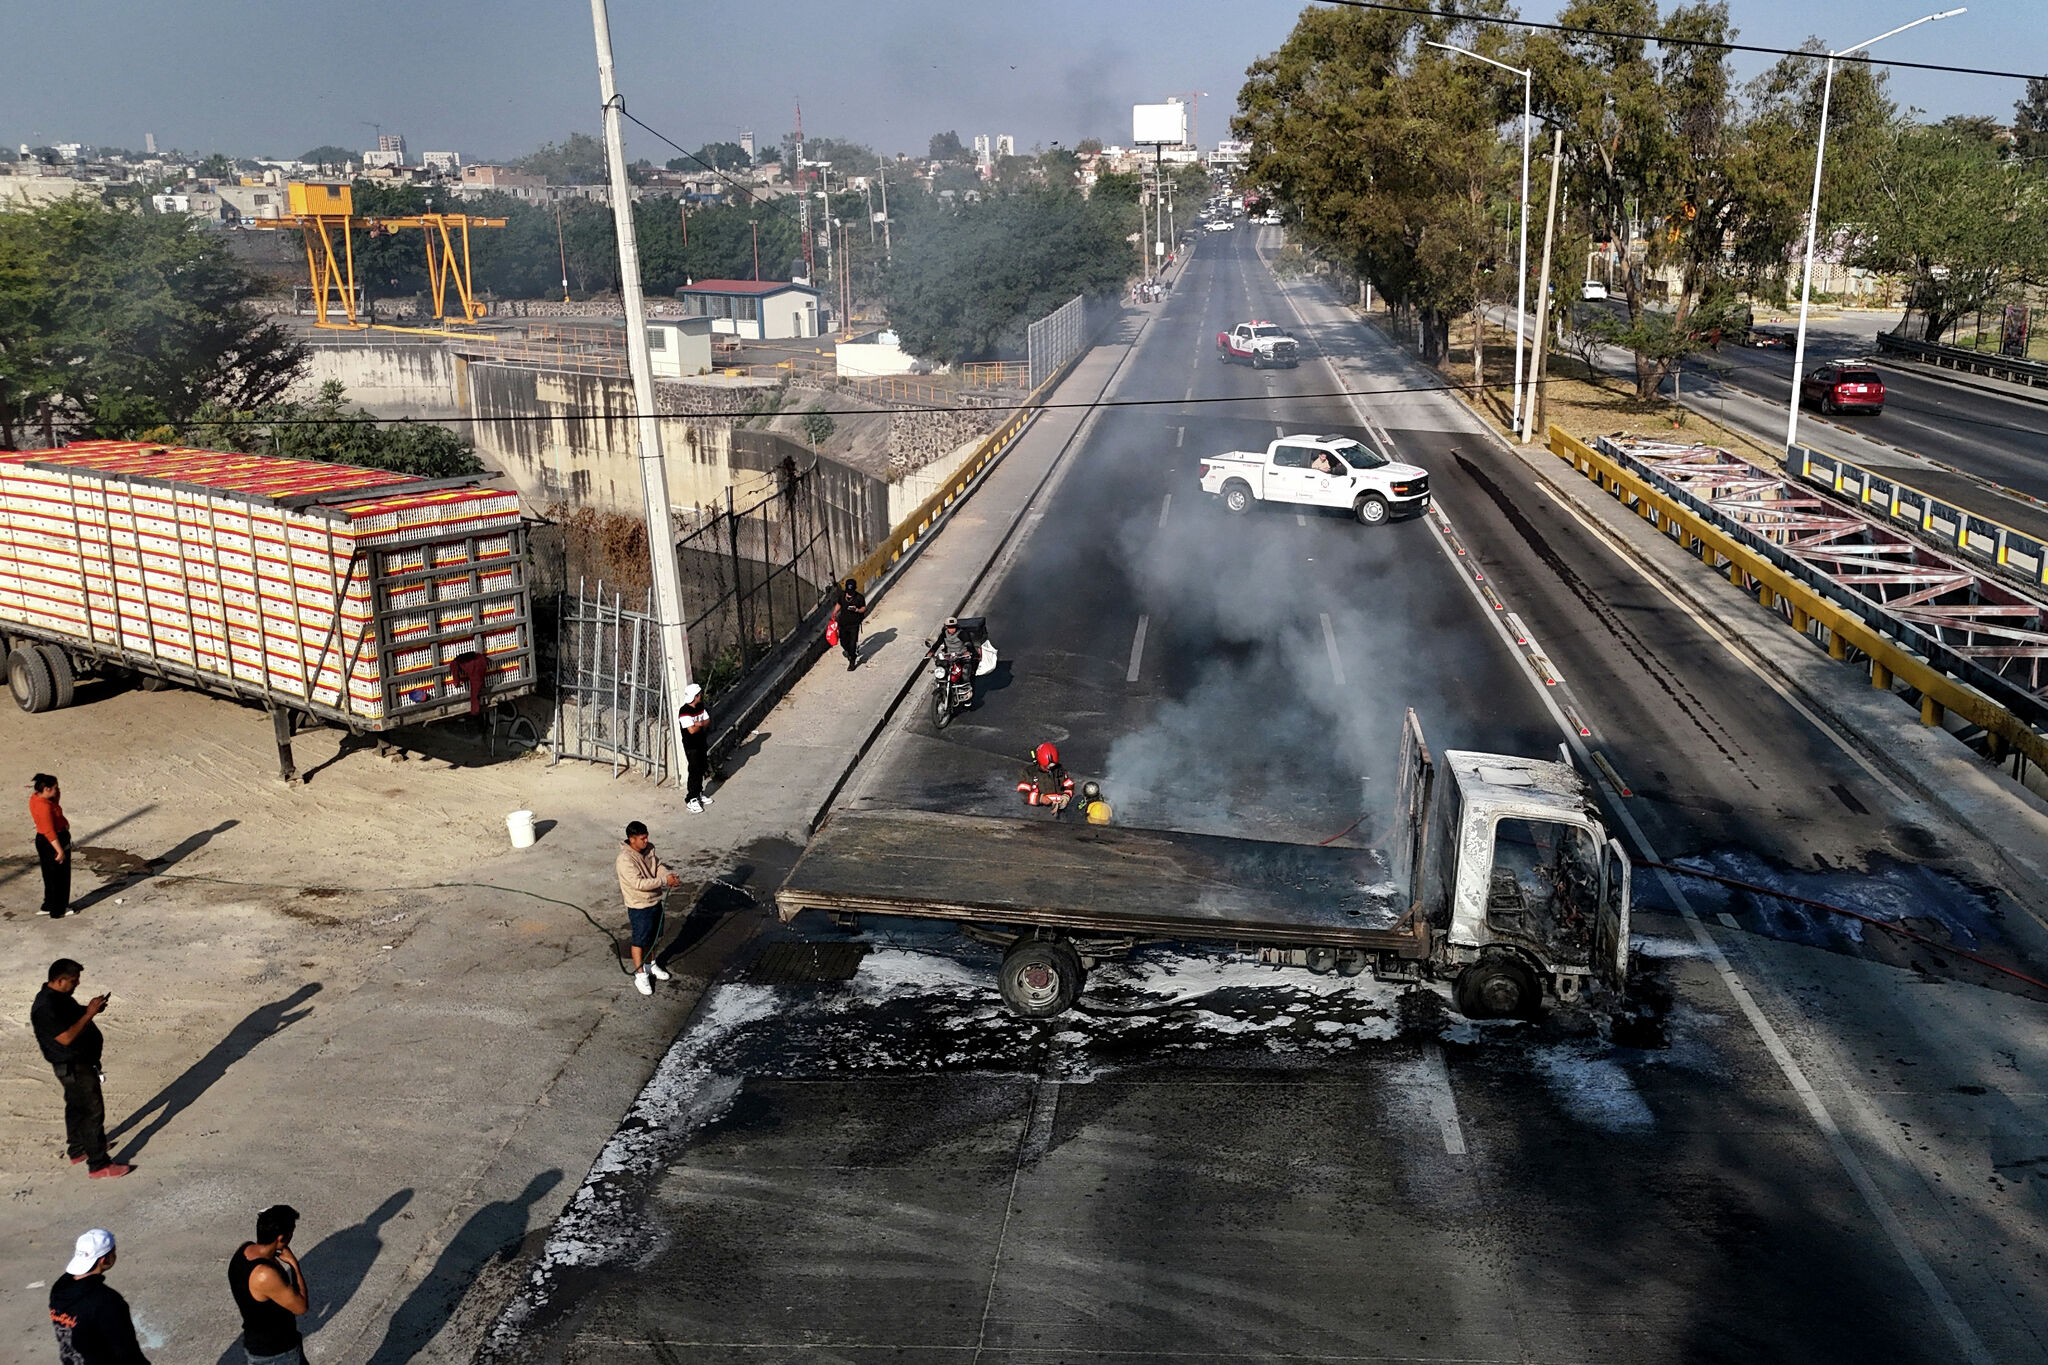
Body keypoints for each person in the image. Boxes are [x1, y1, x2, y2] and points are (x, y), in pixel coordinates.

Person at [32, 959, 128, 1178]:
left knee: (76, 1106)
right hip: (73, 1065)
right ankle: (99, 1164)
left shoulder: (59, 998)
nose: (77, 985)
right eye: (73, 981)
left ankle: (78, 1149)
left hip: (76, 1063)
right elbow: (65, 1037)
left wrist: (91, 1009)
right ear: (60, 980)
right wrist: (89, 1014)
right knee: (91, 1111)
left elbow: (71, 1018)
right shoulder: (45, 1007)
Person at [49, 1227, 149, 1365]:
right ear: (104, 1259)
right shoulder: (107, 1302)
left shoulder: (59, 1290)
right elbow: (126, 1352)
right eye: (114, 1251)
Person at [229, 1204, 309, 1365]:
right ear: (281, 1238)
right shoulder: (264, 1275)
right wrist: (294, 1264)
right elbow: (301, 1306)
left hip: (257, 1345)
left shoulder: (243, 1249)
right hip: (278, 1354)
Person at [615, 821, 681, 997]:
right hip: (639, 905)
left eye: (646, 837)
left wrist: (666, 874)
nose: (646, 841)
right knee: (640, 940)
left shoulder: (648, 849)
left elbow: (657, 866)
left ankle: (651, 965)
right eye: (642, 838)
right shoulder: (625, 860)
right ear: (632, 839)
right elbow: (638, 883)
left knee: (653, 937)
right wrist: (664, 882)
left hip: (655, 901)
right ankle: (640, 974)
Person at [32, 772, 72, 918]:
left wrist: (56, 799)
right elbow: (49, 831)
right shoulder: (44, 807)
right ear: (47, 789)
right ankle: (58, 909)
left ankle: (49, 904)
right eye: (55, 788)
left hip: (45, 841)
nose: (58, 790)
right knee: (60, 876)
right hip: (53, 841)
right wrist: (60, 851)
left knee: (49, 875)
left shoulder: (37, 799)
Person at [675, 684, 712, 812]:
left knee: (702, 767)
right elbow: (691, 730)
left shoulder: (700, 707)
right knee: (694, 770)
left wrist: (698, 723)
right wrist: (698, 725)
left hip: (701, 742)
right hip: (691, 745)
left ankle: (699, 792)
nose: (701, 696)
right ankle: (691, 798)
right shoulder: (684, 711)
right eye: (699, 694)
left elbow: (707, 721)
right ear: (695, 696)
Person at [1018, 743, 1075, 816]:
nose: (1049, 768)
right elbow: (1022, 795)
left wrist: (1066, 796)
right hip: (1037, 814)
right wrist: (1040, 799)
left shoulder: (1059, 771)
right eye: (1045, 767)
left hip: (1059, 812)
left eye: (1051, 766)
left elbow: (1069, 785)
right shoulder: (1029, 773)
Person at [834, 577, 868, 671]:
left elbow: (863, 608)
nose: (849, 593)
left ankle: (852, 661)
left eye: (851, 591)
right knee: (843, 642)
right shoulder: (842, 595)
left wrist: (856, 609)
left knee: (853, 644)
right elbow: (839, 604)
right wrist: (834, 613)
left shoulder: (859, 598)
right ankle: (849, 652)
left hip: (854, 625)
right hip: (843, 624)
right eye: (848, 591)